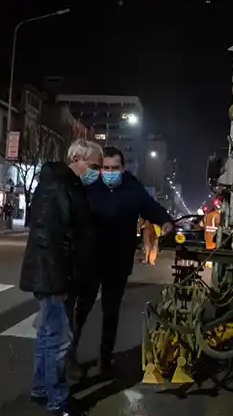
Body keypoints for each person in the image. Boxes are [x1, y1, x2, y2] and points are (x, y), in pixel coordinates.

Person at [67, 146, 173, 379]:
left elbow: (150, 207)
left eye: (115, 168)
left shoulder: (132, 188)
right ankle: (69, 356)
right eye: (106, 168)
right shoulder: (89, 187)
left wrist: (165, 220)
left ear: (123, 168)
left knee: (111, 312)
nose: (110, 172)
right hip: (91, 259)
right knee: (81, 310)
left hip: (118, 260)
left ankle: (104, 360)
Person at [19, 139, 101, 416]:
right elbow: (48, 237)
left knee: (47, 336)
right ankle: (58, 401)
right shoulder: (59, 185)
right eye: (94, 166)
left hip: (54, 273)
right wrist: (59, 280)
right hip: (53, 275)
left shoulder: (65, 184)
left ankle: (41, 390)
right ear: (77, 158)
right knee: (58, 340)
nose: (97, 172)